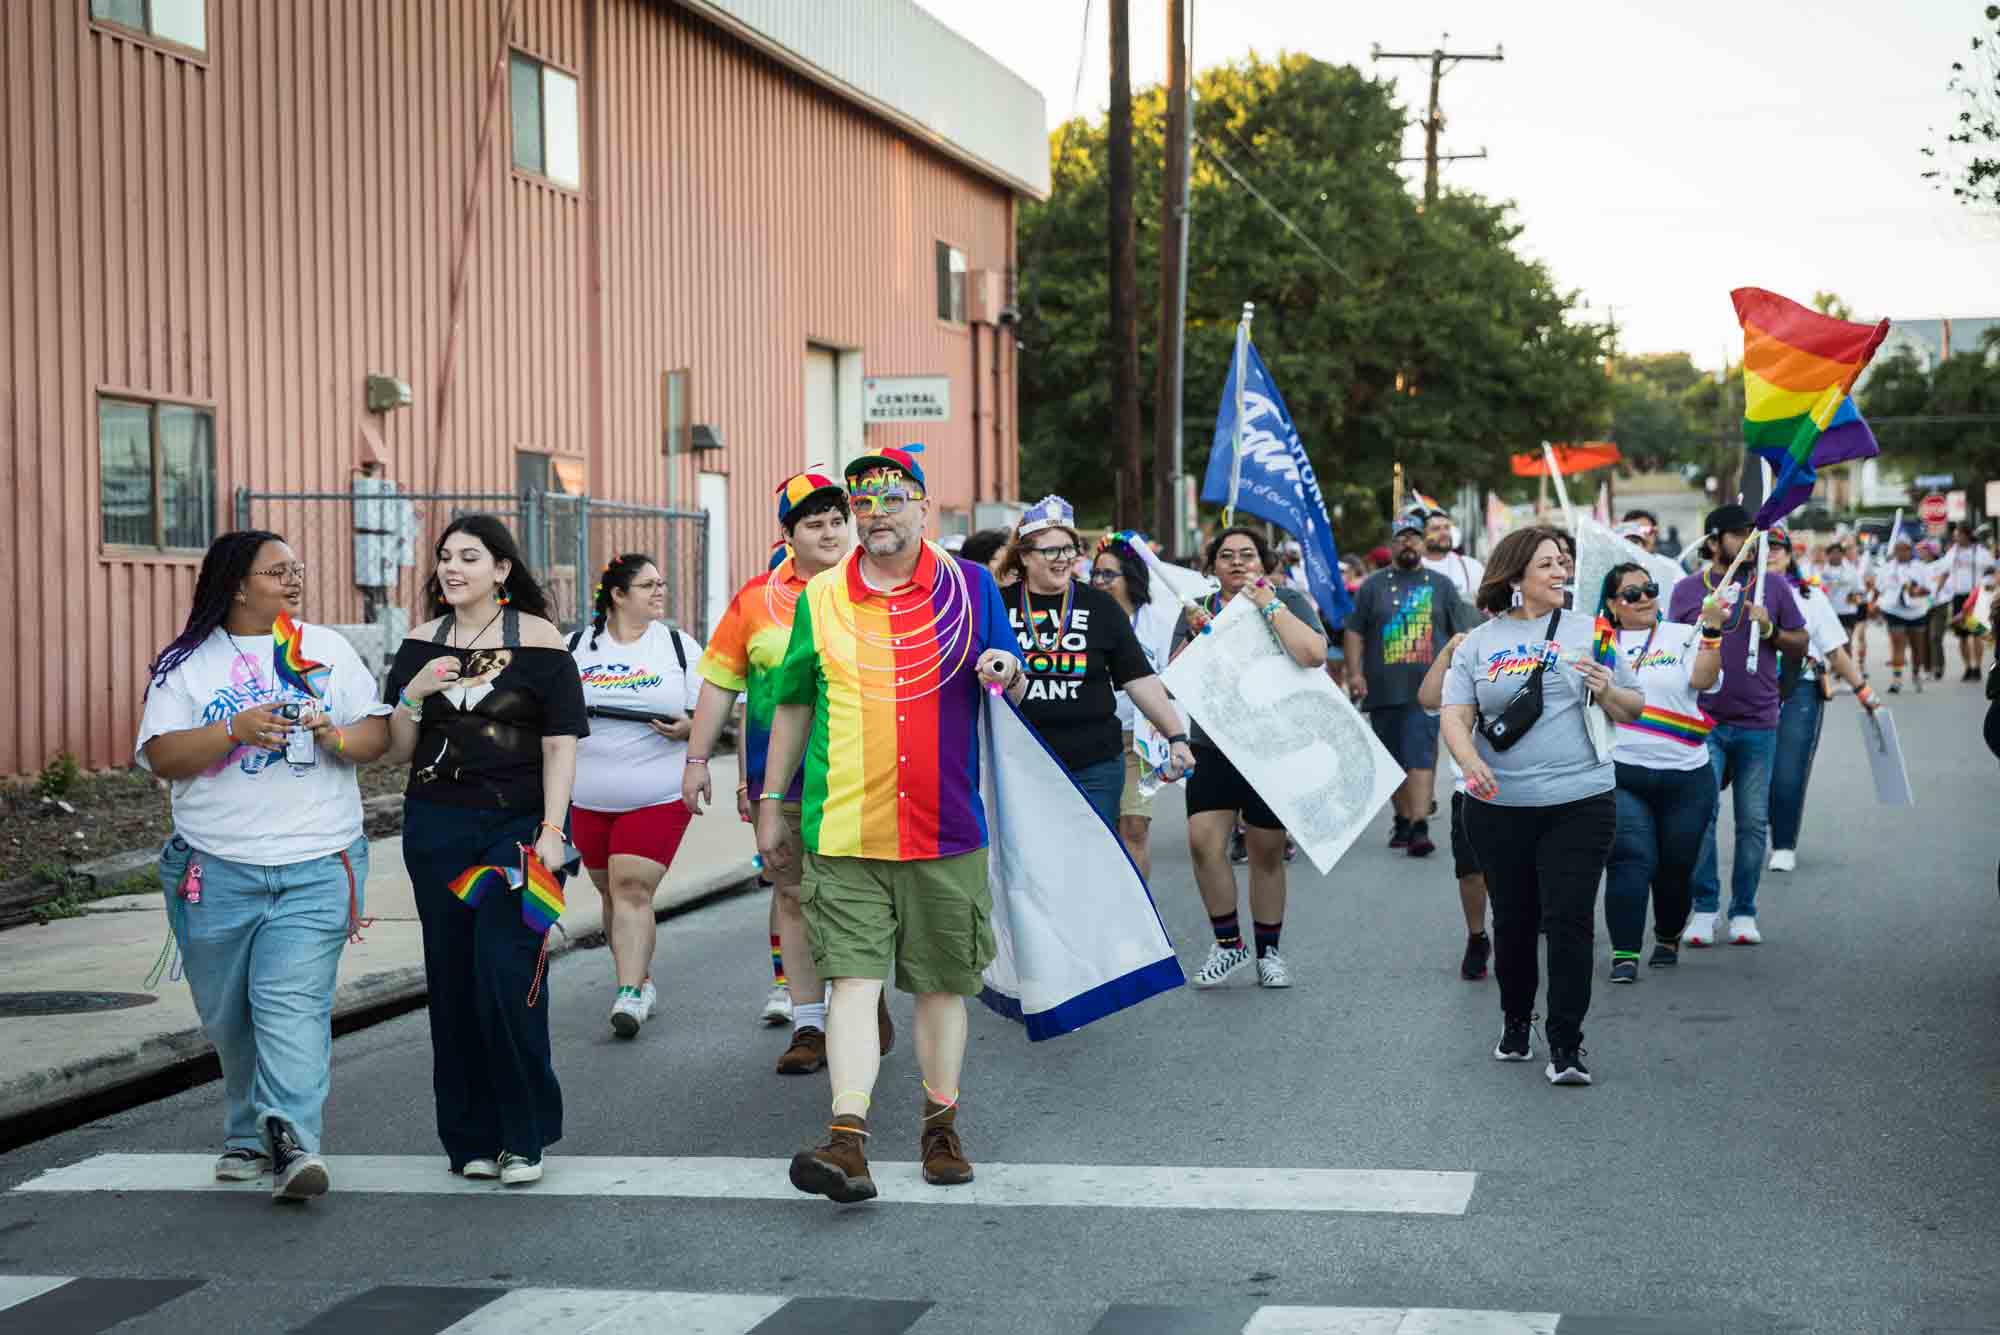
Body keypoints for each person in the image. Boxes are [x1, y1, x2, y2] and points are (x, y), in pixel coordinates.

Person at [757, 444, 1026, 1203]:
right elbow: (795, 702)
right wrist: (770, 804)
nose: (876, 515)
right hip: (844, 827)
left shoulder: (970, 587)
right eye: (862, 504)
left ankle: (940, 1124)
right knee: (851, 980)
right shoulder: (821, 598)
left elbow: (1007, 661)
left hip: (944, 827)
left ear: (922, 505)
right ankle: (847, 1140)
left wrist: (1005, 669)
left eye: (891, 499)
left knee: (942, 986)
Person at [136, 531, 392, 1202]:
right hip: (214, 868)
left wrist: (332, 733)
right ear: (238, 583)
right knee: (229, 1016)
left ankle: (292, 1139)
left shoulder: (326, 650)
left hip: (316, 861)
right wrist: (234, 730)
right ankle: (248, 1133)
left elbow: (377, 733)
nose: (293, 579)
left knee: (290, 1003)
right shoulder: (186, 663)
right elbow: (162, 755)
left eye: (296, 569)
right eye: (276, 571)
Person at [382, 515, 586, 1187]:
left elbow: (560, 742)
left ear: (501, 569)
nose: (452, 566)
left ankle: (523, 1136)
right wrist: (412, 694)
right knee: (453, 979)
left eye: (469, 556)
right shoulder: (418, 644)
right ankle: (468, 1136)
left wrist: (553, 833)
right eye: (444, 556)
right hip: (436, 829)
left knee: (508, 973)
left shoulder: (541, 641)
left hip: (520, 833)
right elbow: (400, 751)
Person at [685, 472, 896, 1075]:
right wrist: (698, 760)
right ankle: (809, 1024)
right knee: (793, 895)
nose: (830, 533)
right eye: (814, 524)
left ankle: (864, 994)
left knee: (865, 900)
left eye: (837, 521)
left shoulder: (880, 590)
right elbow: (721, 684)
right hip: (782, 784)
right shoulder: (756, 601)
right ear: (788, 534)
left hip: (864, 777)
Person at [1440, 527, 1643, 1086]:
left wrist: (1607, 690)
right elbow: (1455, 715)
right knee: (1514, 919)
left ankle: (1567, 1044)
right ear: (1515, 576)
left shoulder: (1593, 631)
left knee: (1570, 920)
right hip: (1498, 804)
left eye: (1565, 562)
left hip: (1581, 799)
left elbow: (1633, 708)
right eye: (1549, 564)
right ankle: (1514, 1020)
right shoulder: (1480, 642)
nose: (1561, 572)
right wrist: (1469, 761)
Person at [1170, 527, 1328, 989]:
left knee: (1266, 852)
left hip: (1272, 747)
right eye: (1226, 556)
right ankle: (1228, 945)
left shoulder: (1290, 601)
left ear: (1264, 562)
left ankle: (1269, 952)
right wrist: (1197, 635)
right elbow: (1171, 678)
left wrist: (1266, 604)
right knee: (1203, 842)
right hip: (1213, 745)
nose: (1237, 563)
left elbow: (1313, 654)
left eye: (1247, 555)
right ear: (1212, 566)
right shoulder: (1199, 609)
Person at [567, 553, 705, 1038]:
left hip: (657, 791)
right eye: (647, 585)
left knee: (630, 887)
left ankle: (627, 992)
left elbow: (711, 709)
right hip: (586, 797)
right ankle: (639, 977)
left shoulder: (676, 646)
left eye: (661, 583)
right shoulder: (576, 647)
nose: (659, 592)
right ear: (618, 595)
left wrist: (691, 730)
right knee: (609, 891)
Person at [995, 498, 1192, 829]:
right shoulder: (998, 604)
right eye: (1051, 551)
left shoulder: (1100, 606)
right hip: (1020, 762)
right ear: (1026, 556)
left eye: (1070, 550)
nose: (1063, 560)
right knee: (1032, 867)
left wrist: (1177, 737)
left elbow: (1139, 679)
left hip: (1094, 764)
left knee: (1090, 861)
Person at [1666, 504, 1809, 948]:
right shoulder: (1687, 590)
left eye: (1755, 533)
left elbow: (1801, 643)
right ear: (1713, 542)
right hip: (1702, 720)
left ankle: (1744, 911)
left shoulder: (1774, 587)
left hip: (1758, 722)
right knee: (1701, 819)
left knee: (1752, 823)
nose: (1751, 540)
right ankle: (1705, 909)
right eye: (1740, 533)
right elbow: (1672, 652)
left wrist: (1769, 629)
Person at [1598, 563, 1725, 982]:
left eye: (1649, 589)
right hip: (1623, 773)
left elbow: (1705, 681)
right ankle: (1625, 953)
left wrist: (1710, 631)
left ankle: (1668, 935)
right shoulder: (1601, 644)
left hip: (1687, 775)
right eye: (1631, 594)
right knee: (1631, 859)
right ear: (1614, 606)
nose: (1645, 598)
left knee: (1676, 865)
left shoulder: (1682, 634)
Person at [1345, 511, 1475, 858]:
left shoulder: (1441, 585)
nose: (1408, 543)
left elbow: (1460, 634)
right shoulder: (1372, 586)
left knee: (1420, 751)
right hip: (1382, 687)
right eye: (1402, 537)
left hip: (1427, 690)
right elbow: (1355, 631)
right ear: (1392, 544)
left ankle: (1419, 824)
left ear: (1423, 542)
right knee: (1391, 759)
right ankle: (1402, 817)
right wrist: (1355, 674)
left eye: (1414, 537)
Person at [1764, 530, 1881, 873]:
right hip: (1751, 693)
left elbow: (1834, 650)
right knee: (1758, 773)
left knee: (1788, 770)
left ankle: (1783, 843)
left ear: (1788, 555)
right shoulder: (1738, 594)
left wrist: (1863, 691)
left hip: (1800, 687)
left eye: (1776, 548)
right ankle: (1760, 834)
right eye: (1762, 549)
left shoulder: (1809, 595)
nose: (1770, 554)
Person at [1092, 530, 1187, 881]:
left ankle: (1139, 916)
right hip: (1093, 740)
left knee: (1133, 827)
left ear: (1130, 577)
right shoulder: (1087, 615)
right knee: (1101, 831)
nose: (1099, 581)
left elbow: (1174, 677)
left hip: (1139, 741)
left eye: (1108, 575)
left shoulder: (1159, 621)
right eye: (1095, 574)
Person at [1416, 628, 1492, 981]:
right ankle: (1477, 936)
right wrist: (1447, 651)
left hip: (1526, 786)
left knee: (1519, 875)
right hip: (1472, 787)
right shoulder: (1466, 656)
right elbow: (1429, 699)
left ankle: (1515, 933)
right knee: (1471, 872)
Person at [1874, 533, 1933, 694]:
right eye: (1898, 549)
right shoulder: (1887, 568)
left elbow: (1929, 590)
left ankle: (1916, 674)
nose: (1902, 553)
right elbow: (1878, 589)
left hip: (1917, 611)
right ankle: (1897, 679)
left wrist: (1915, 590)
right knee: (1898, 645)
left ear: (1910, 550)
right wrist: (1874, 605)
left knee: (1917, 647)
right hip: (1894, 610)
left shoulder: (1920, 567)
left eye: (1905, 549)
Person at [1942, 523, 1995, 681]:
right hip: (1958, 596)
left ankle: (1977, 667)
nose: (1956, 538)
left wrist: (1989, 584)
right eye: (1955, 536)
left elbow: (1994, 568)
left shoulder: (1979, 552)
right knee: (1963, 636)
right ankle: (1967, 667)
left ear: (1966, 535)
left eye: (1958, 535)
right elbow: (1944, 570)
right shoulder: (1953, 552)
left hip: (1974, 598)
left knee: (1977, 633)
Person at [1818, 536, 1868, 682]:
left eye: (1838, 552)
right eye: (1832, 553)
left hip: (1847, 612)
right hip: (1829, 613)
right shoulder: (1822, 572)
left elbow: (1860, 590)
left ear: (1842, 554)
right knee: (1832, 644)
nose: (1836, 555)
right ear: (1828, 555)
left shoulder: (1851, 570)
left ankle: (1846, 675)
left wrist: (1854, 597)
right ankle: (1836, 670)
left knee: (1846, 641)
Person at [1421, 508, 1485, 601]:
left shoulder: (1471, 566)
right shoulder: (1412, 568)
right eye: (1436, 529)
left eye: (1447, 528)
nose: (1444, 533)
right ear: (1423, 534)